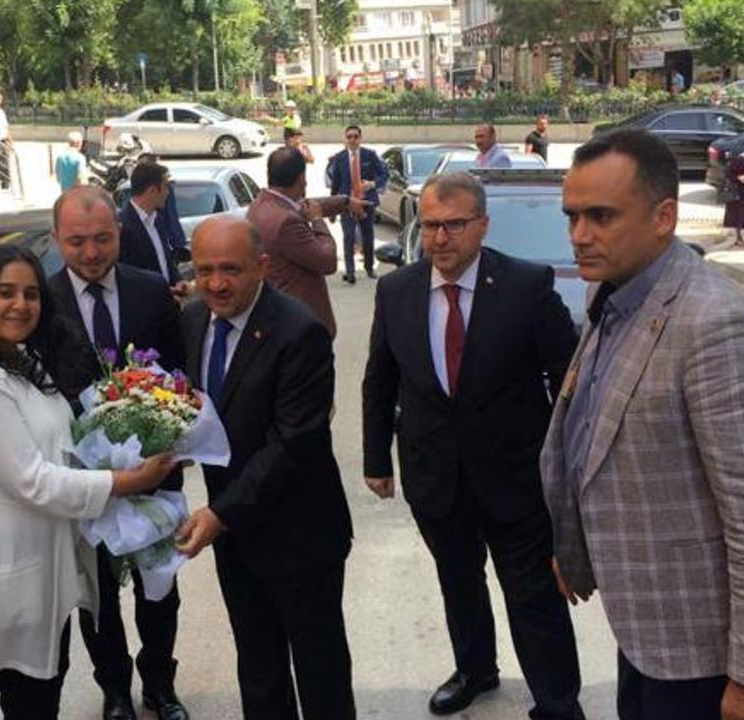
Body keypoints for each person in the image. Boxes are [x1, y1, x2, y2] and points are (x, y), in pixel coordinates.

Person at [546, 129, 744, 720]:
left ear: (664, 217)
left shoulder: (715, 327)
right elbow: (595, 435)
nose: (579, 235)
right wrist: (575, 544)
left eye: (601, 216)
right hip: (645, 630)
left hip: (705, 658)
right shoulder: (616, 294)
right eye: (572, 216)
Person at [361, 172, 583, 718]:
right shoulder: (396, 290)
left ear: (482, 225)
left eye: (454, 225)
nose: (440, 238)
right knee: (458, 582)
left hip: (515, 478)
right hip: (435, 475)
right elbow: (380, 379)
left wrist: (565, 459)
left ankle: (557, 702)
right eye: (430, 225)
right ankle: (475, 669)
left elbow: (569, 375)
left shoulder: (527, 286)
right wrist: (376, 458)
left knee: (532, 596)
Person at [0, 242, 177, 720]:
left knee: (49, 680)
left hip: (43, 561)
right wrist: (124, 481)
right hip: (7, 567)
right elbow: (34, 481)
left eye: (30, 294)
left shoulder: (20, 358)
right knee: (29, 698)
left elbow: (63, 439)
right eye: (5, 292)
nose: (20, 305)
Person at [175, 216, 354, 720]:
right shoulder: (193, 319)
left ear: (263, 265)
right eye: (204, 270)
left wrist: (219, 514)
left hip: (300, 537)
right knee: (258, 668)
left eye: (230, 269)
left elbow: (293, 445)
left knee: (320, 673)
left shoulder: (300, 332)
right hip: (236, 538)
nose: (216, 283)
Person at [45, 186, 189, 720]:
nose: (91, 252)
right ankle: (115, 692)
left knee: (160, 590)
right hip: (87, 484)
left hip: (155, 473)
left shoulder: (151, 291)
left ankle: (160, 685)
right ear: (57, 239)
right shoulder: (42, 304)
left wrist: (175, 439)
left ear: (119, 234)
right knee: (100, 599)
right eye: (77, 241)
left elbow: (180, 375)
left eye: (102, 238)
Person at [249, 146, 369, 338]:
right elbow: (327, 261)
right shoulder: (286, 222)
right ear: (301, 178)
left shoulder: (262, 204)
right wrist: (317, 219)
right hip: (299, 329)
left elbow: (302, 206)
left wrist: (345, 202)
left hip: (279, 320)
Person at [325, 124, 387, 284]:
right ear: (345, 139)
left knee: (368, 235)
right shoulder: (339, 158)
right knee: (349, 236)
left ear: (360, 138)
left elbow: (384, 174)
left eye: (355, 136)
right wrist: (332, 207)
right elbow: (336, 184)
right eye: (349, 137)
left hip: (366, 201)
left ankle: (369, 267)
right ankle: (350, 272)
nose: (352, 140)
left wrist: (373, 184)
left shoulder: (370, 155)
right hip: (346, 203)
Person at [119, 162, 187, 295]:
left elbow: (165, 259)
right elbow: (127, 275)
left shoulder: (158, 220)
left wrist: (178, 281)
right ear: (152, 191)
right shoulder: (122, 226)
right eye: (165, 187)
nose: (168, 193)